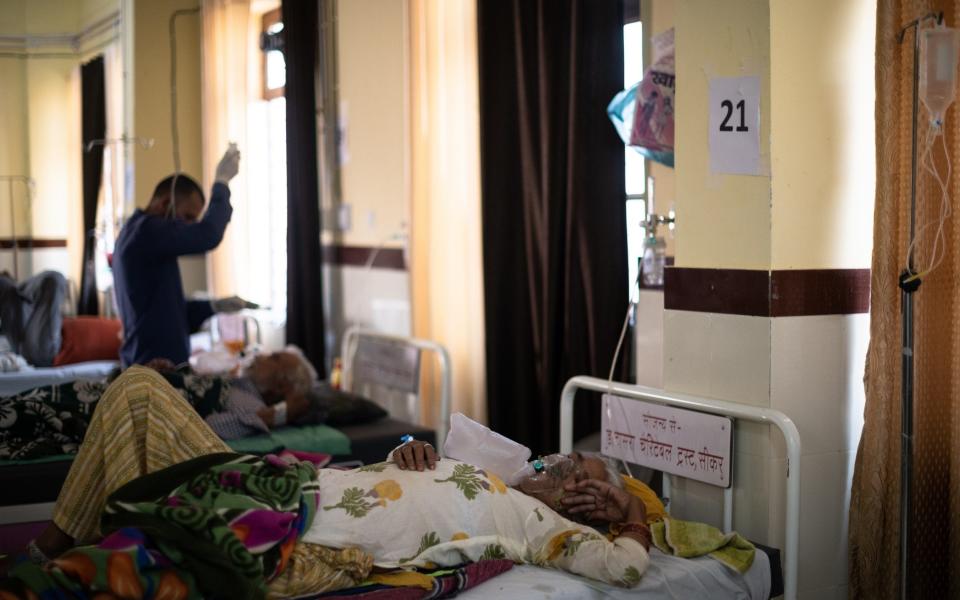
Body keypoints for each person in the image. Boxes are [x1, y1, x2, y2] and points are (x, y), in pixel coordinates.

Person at [2, 369, 651, 597]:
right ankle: (55, 554)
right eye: (564, 458)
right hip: (284, 482)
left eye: (585, 472)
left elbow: (625, 568)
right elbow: (407, 468)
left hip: (283, 523)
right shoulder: (493, 474)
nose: (567, 465)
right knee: (138, 390)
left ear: (587, 506)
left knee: (139, 395)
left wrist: (628, 510)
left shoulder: (543, 529)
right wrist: (405, 447)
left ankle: (52, 558)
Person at [0, 348, 317, 461]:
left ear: (282, 384)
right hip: (110, 391)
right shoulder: (236, 384)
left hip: (117, 407)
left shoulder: (250, 401)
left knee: (27, 412)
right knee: (31, 403)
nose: (261, 355)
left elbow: (209, 430)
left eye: (274, 358)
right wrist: (170, 374)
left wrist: (285, 411)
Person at [112, 145, 251, 367]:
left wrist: (213, 307)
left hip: (155, 361)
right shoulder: (147, 231)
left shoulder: (138, 235)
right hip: (153, 367)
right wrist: (221, 183)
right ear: (165, 204)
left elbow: (166, 313)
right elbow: (208, 236)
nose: (187, 227)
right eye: (187, 217)